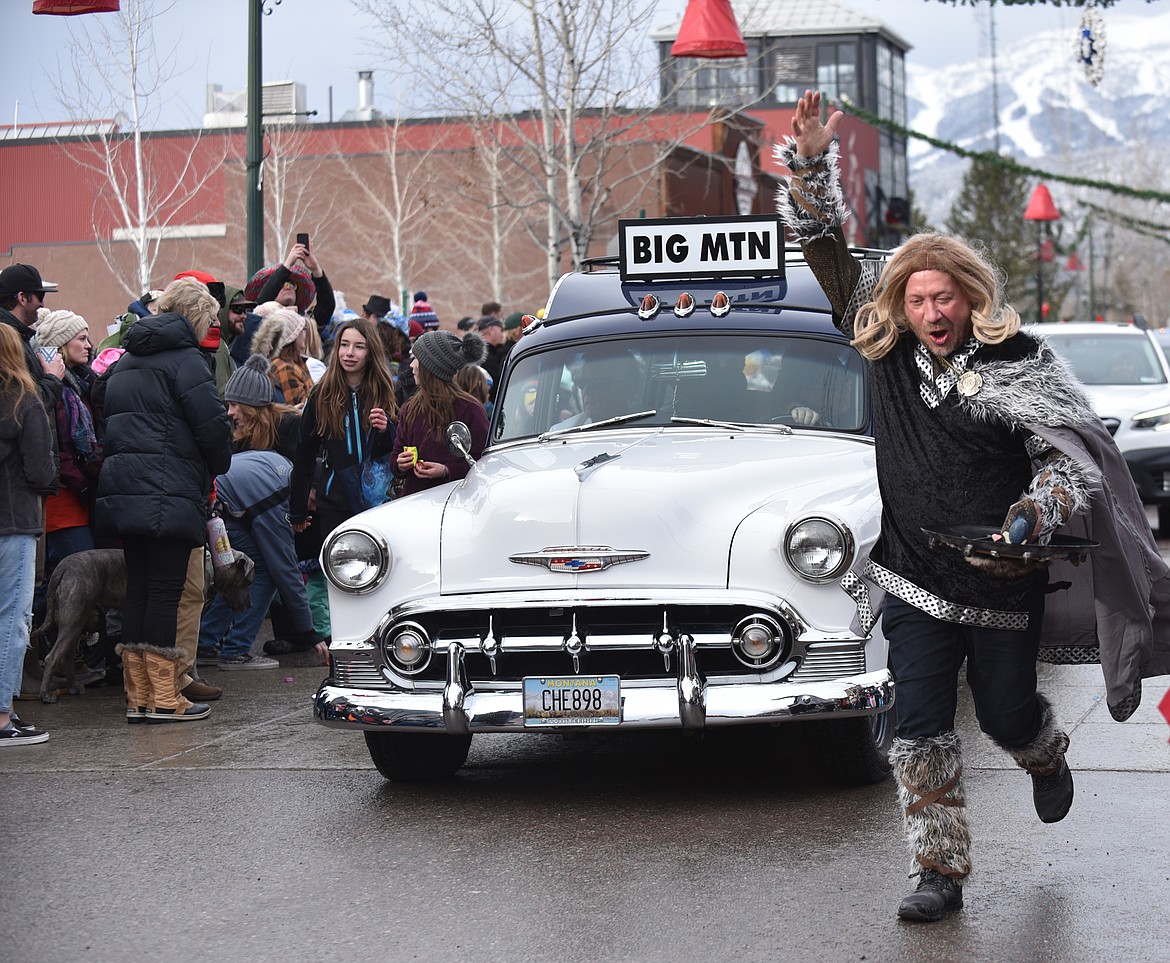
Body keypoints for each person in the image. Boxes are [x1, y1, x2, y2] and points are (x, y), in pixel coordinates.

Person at [778, 89, 1170, 922]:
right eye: (916, 301)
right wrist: (811, 164)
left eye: (943, 299)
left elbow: (1069, 458)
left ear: (969, 295)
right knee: (917, 723)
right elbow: (824, 249)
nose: (930, 314)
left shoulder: (1017, 360)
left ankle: (1043, 752)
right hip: (914, 573)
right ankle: (939, 872)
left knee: (1003, 714)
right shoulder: (882, 347)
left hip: (1001, 576)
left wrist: (1036, 508)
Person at [94, 276, 233, 724]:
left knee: (138, 591)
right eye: (210, 317)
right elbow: (213, 430)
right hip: (170, 492)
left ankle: (138, 695)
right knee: (165, 595)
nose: (213, 325)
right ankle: (165, 697)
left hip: (125, 492)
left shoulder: (127, 360)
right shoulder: (187, 361)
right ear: (195, 317)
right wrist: (215, 461)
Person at [0, 324, 58, 746]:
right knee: (12, 620)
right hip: (15, 520)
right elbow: (40, 472)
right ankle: (3, 716)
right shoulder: (24, 401)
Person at [289, 318, 398, 539]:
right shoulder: (322, 395)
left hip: (379, 500)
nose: (349, 353)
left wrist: (388, 429)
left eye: (359, 347)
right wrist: (297, 510)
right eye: (344, 344)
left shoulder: (387, 390)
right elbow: (304, 454)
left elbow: (402, 445)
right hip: (336, 501)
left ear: (371, 352)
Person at [29, 311, 102, 632]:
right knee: (69, 582)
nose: (89, 345)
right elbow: (60, 449)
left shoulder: (81, 383)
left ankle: (62, 660)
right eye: (81, 338)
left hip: (77, 498)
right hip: (63, 501)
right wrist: (85, 486)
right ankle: (39, 653)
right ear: (60, 344)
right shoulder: (58, 390)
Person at [391, 330, 488, 498]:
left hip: (457, 504)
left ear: (433, 368)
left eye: (418, 360)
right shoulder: (410, 408)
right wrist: (400, 464)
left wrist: (447, 470)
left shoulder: (470, 409)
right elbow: (395, 458)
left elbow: (484, 462)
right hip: (414, 503)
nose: (412, 365)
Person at [0, 263, 65, 414]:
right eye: (40, 296)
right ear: (22, 298)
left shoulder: (20, 337)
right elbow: (25, 406)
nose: (42, 304)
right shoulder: (7, 342)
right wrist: (52, 378)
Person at [252, 304, 312, 406]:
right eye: (303, 329)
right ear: (293, 336)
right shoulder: (284, 368)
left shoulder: (294, 363)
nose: (305, 335)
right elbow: (301, 408)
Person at [477, 315, 511, 403]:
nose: (503, 334)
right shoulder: (485, 356)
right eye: (501, 330)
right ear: (491, 330)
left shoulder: (484, 352)